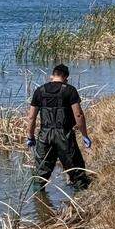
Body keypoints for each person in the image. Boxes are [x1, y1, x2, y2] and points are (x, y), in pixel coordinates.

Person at [26, 64, 93, 192]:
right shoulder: (70, 90)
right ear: (66, 77)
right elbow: (78, 114)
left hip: (45, 136)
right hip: (64, 135)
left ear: (52, 75)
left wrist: (30, 136)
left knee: (40, 175)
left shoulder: (39, 91)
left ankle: (39, 205)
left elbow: (31, 117)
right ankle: (80, 199)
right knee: (76, 171)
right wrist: (85, 135)